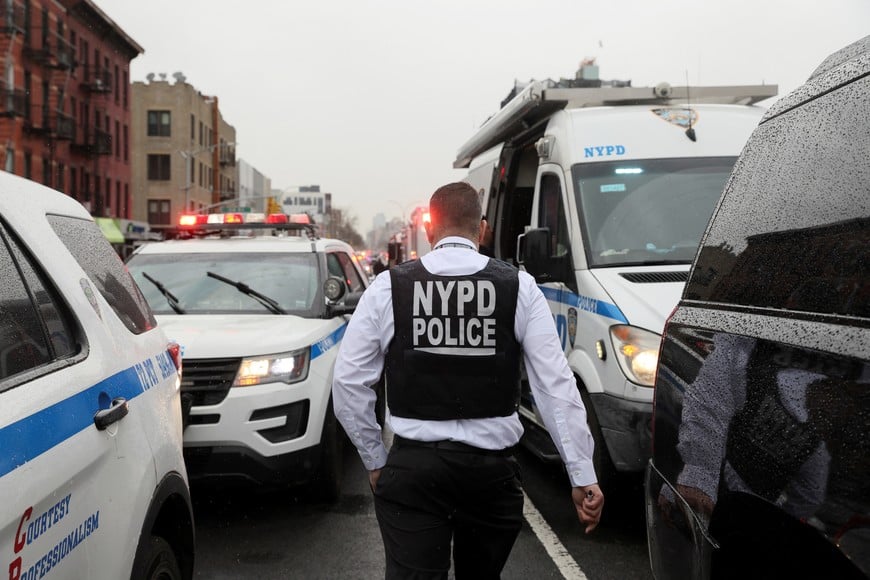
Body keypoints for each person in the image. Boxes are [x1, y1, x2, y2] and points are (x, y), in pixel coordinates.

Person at [332, 182, 603, 579]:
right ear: (482, 227)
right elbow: (555, 385)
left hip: (414, 470)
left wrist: (375, 460)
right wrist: (582, 473)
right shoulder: (519, 287)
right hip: (489, 477)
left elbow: (349, 384)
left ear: (430, 230)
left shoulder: (389, 287)